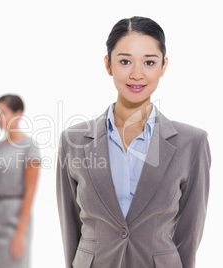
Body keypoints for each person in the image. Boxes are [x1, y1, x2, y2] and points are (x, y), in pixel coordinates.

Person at [56, 16, 211, 268]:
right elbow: (70, 227)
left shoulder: (192, 142)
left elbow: (189, 232)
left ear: (163, 66)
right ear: (108, 65)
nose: (137, 74)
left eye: (149, 62)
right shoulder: (73, 141)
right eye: (125, 61)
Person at [0, 94, 41, 268]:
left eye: (2, 113)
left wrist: (20, 233)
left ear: (18, 113)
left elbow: (31, 191)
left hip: (14, 219)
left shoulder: (29, 146)